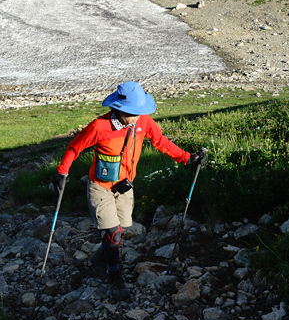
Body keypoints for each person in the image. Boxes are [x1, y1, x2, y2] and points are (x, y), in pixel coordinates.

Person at [53, 81, 207, 300]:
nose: (137, 116)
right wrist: (62, 172)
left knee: (121, 230)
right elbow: (75, 146)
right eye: (133, 112)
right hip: (100, 186)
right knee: (113, 232)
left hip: (125, 186)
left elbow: (161, 141)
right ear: (119, 108)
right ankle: (114, 275)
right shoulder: (99, 127)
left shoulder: (143, 121)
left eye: (139, 111)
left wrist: (187, 157)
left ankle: (100, 257)